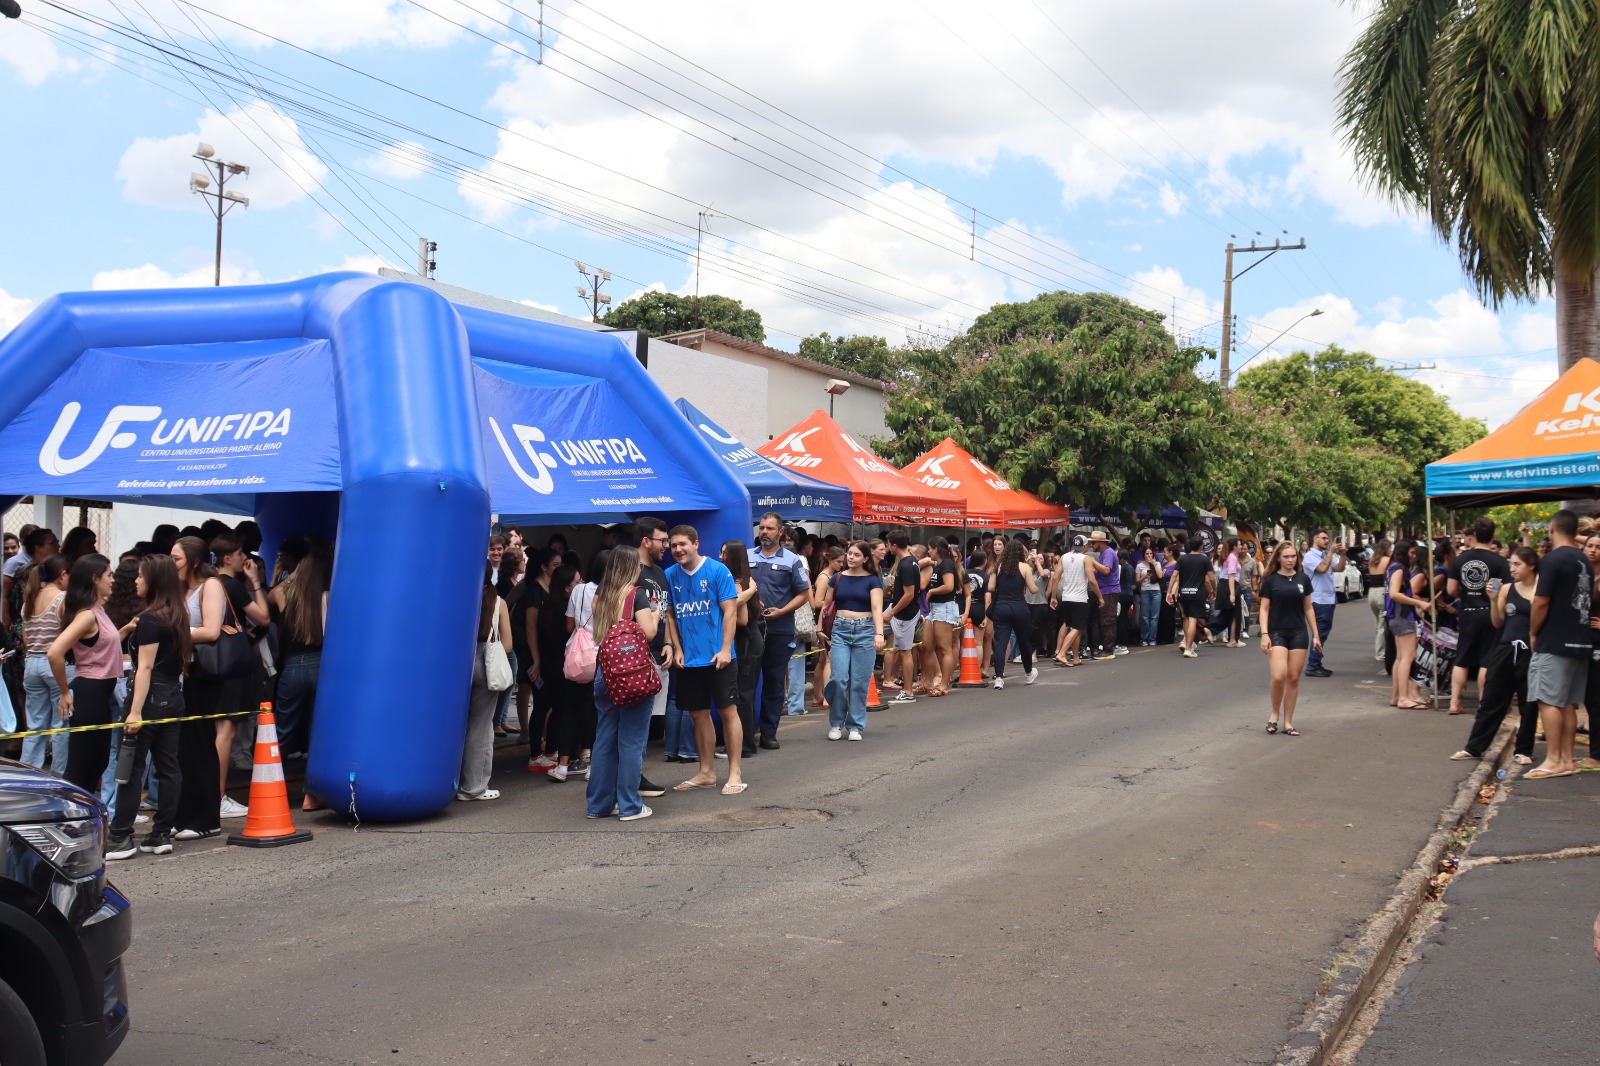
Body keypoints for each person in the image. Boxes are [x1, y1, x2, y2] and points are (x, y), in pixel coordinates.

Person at [106, 555, 191, 860]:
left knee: (131, 767)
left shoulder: (152, 619)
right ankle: (160, 834)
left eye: (140, 576)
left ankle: (120, 836)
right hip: (173, 696)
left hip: (148, 698)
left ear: (153, 580)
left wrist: (134, 711)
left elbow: (144, 668)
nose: (136, 581)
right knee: (168, 767)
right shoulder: (177, 615)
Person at [664, 525, 745, 796]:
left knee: (727, 712)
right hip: (689, 661)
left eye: (682, 544)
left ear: (696, 543)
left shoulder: (718, 571)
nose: (677, 549)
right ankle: (706, 772)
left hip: (719, 657)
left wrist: (725, 649)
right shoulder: (669, 575)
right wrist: (676, 648)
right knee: (698, 715)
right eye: (673, 545)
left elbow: (731, 612)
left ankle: (734, 773)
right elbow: (672, 615)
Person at [585, 546, 661, 821]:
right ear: (631, 567)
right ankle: (630, 805)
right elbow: (649, 633)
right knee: (631, 740)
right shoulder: (636, 595)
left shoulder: (601, 597)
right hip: (633, 675)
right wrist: (655, 614)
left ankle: (598, 804)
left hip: (605, 672)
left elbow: (598, 636)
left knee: (604, 738)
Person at [1452, 546, 1540, 764]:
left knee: (1529, 703)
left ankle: (1524, 749)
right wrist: (1492, 599)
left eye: (1517, 564)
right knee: (1492, 699)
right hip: (1505, 648)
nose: (1512, 568)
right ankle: (1474, 747)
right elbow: (1497, 621)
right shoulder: (1507, 589)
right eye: (1511, 563)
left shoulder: (1542, 589)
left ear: (1531, 566)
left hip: (1530, 650)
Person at [1525, 509, 1592, 779]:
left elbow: (1541, 600)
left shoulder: (1552, 560)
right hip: (1580, 640)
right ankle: (1566, 759)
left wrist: (1533, 631)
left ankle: (1553, 759)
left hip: (1554, 640)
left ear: (1552, 528)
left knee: (1547, 699)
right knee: (1567, 702)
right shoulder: (1583, 559)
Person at [170, 535, 230, 841]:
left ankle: (206, 818)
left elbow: (210, 630)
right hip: (182, 672)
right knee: (182, 747)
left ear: (194, 561)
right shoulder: (181, 588)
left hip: (204, 674)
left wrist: (174, 632)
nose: (172, 564)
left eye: (177, 558)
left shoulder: (211, 585)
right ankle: (183, 815)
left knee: (200, 743)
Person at [209, 534, 270, 820]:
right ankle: (218, 796)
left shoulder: (206, 583)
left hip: (208, 662)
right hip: (230, 664)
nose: (243, 556)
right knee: (226, 730)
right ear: (227, 558)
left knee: (210, 729)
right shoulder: (231, 585)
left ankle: (209, 793)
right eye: (239, 552)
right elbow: (263, 617)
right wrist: (256, 582)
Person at [268, 534, 331, 809]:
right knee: (318, 733)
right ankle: (310, 795)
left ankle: (270, 788)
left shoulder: (283, 593)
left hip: (292, 666)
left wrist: (278, 573)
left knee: (282, 731)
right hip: (320, 664)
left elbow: (271, 593)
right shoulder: (326, 594)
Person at [47, 555, 119, 795]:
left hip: (100, 696)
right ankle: (66, 820)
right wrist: (64, 692)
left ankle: (80, 821)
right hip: (89, 693)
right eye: (109, 575)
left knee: (97, 763)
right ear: (94, 578)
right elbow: (54, 652)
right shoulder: (86, 614)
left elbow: (101, 644)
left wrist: (126, 630)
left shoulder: (98, 610)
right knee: (80, 767)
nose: (113, 579)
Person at [748, 512, 811, 750]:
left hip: (779, 628)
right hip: (750, 628)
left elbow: (803, 594)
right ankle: (745, 734)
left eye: (770, 529)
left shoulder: (792, 560)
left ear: (780, 532)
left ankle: (768, 732)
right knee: (747, 683)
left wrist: (782, 611)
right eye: (762, 528)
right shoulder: (747, 556)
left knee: (774, 682)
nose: (764, 532)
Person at [819, 541, 885, 740]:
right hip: (840, 629)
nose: (851, 557)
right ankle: (836, 722)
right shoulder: (837, 578)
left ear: (865, 558)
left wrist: (879, 634)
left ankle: (855, 725)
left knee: (859, 682)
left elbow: (876, 608)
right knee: (838, 679)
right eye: (849, 554)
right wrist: (819, 627)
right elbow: (826, 605)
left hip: (865, 630)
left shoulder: (873, 580)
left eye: (856, 555)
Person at [1446, 519, 1511, 715]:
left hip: (1467, 612)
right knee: (1487, 659)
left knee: (1462, 658)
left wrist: (1465, 594)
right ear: (1493, 536)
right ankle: (1484, 702)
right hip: (1490, 612)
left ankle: (1454, 702)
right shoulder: (1499, 562)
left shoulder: (1460, 559)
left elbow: (1450, 590)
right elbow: (1499, 591)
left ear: (1475, 535)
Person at [459, 562, 511, 802]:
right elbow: (508, 645)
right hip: (487, 664)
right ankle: (474, 787)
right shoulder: (499, 603)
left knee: (455, 725)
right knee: (480, 726)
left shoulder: (460, 597)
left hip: (458, 664)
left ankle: (448, 779)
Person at [1258, 542, 1320, 736]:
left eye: (1293, 556)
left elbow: (1308, 608)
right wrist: (1265, 634)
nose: (1291, 560)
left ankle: (1288, 722)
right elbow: (1264, 608)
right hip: (1276, 632)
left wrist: (1316, 635)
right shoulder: (1270, 580)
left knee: (1293, 678)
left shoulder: (1303, 578)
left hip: (1299, 633)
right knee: (1278, 676)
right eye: (1286, 557)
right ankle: (1274, 714)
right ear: (1278, 558)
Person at [20, 552, 72, 773]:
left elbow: (24, 638)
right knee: (61, 726)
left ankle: (29, 775)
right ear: (62, 575)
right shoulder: (62, 599)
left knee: (35, 726)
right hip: (56, 664)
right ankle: (59, 778)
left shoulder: (29, 600)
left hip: (31, 662)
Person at [722, 541, 765, 760]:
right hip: (750, 642)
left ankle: (745, 745)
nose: (720, 557)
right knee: (742, 694)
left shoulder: (738, 582)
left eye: (724, 553)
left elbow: (742, 619)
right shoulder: (747, 582)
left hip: (746, 643)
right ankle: (742, 742)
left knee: (743, 696)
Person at [987, 540, 1040, 690]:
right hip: (1019, 608)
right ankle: (1029, 673)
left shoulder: (998, 566)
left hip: (1001, 608)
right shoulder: (1024, 567)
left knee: (1000, 643)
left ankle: (998, 677)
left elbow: (990, 587)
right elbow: (1033, 589)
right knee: (1024, 641)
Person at [1386, 541, 1431, 709]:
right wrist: (1419, 603)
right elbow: (1394, 594)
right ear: (1404, 552)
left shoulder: (1393, 567)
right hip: (1403, 615)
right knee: (1408, 657)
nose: (1414, 556)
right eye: (1412, 552)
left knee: (1400, 657)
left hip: (1396, 616)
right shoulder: (1399, 569)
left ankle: (1397, 696)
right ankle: (1404, 697)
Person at [881, 531, 921, 704]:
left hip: (904, 614)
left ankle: (908, 692)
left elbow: (909, 595)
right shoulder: (909, 562)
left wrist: (891, 612)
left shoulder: (906, 565)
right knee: (871, 632)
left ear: (894, 546)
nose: (887, 547)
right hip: (899, 611)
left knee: (905, 652)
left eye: (888, 544)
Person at [1301, 530, 1346, 677]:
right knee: (1319, 634)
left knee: (1322, 634)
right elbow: (1321, 569)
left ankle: (1316, 663)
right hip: (1318, 600)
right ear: (1315, 539)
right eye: (1324, 538)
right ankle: (1313, 665)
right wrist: (1331, 552)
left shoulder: (1323, 555)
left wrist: (1343, 555)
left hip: (1328, 599)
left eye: (1328, 539)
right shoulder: (1310, 557)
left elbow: (1338, 568)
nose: (1327, 541)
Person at [923, 536, 962, 697]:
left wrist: (932, 591)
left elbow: (949, 586)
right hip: (934, 609)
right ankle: (928, 682)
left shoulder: (946, 564)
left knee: (944, 648)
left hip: (945, 608)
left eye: (930, 549)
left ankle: (944, 684)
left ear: (936, 549)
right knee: (926, 646)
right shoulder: (938, 565)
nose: (928, 552)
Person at [810, 546, 845, 712]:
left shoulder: (831, 575)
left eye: (842, 562)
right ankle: (824, 696)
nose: (841, 564)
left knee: (823, 660)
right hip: (825, 619)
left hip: (825, 618)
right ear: (830, 560)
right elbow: (817, 602)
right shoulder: (825, 577)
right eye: (838, 561)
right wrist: (830, 603)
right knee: (827, 660)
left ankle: (818, 696)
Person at [1167, 537, 1214, 659]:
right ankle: (1188, 648)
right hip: (1197, 593)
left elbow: (1174, 576)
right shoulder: (1204, 560)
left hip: (1184, 593)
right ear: (1201, 546)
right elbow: (1211, 578)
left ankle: (1188, 644)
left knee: (1186, 619)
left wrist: (1169, 592)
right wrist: (1214, 590)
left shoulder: (1182, 558)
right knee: (1193, 620)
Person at [1051, 541, 1096, 666]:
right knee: (1078, 627)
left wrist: (1053, 597)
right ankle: (1062, 653)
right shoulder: (1085, 558)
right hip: (1079, 598)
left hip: (1066, 597)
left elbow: (1055, 578)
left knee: (1070, 625)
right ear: (1084, 546)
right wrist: (1100, 596)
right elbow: (1092, 580)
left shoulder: (1064, 557)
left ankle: (1075, 657)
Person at [1086, 530, 1127, 656]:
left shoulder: (1108, 553)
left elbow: (1106, 571)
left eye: (1093, 542)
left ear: (1100, 542)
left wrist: (1094, 562)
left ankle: (1108, 649)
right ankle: (1107, 647)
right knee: (1103, 620)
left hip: (1109, 590)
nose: (1092, 545)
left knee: (1107, 620)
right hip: (1106, 590)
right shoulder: (1104, 553)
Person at [1365, 539, 1393, 662]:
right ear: (1386, 548)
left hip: (1371, 593)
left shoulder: (1372, 561)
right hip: (1382, 593)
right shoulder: (1387, 560)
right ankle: (1380, 653)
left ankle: (1380, 650)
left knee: (1379, 624)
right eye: (1390, 548)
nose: (1391, 550)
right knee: (1382, 625)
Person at [965, 549, 992, 678]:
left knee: (963, 642)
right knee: (978, 642)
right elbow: (988, 599)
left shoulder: (963, 574)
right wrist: (986, 617)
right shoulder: (987, 577)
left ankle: (964, 669)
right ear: (985, 561)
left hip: (965, 609)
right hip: (979, 609)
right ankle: (976, 671)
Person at [1135, 547, 1163, 647]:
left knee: (1154, 616)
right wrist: (1145, 576)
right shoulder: (1139, 565)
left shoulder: (1157, 564)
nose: (1149, 556)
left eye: (1151, 553)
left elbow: (1160, 576)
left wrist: (1155, 564)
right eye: (1147, 554)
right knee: (1145, 616)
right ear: (1144, 555)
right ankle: (1144, 638)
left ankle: (1152, 638)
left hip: (1156, 591)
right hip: (1145, 591)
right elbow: (1137, 581)